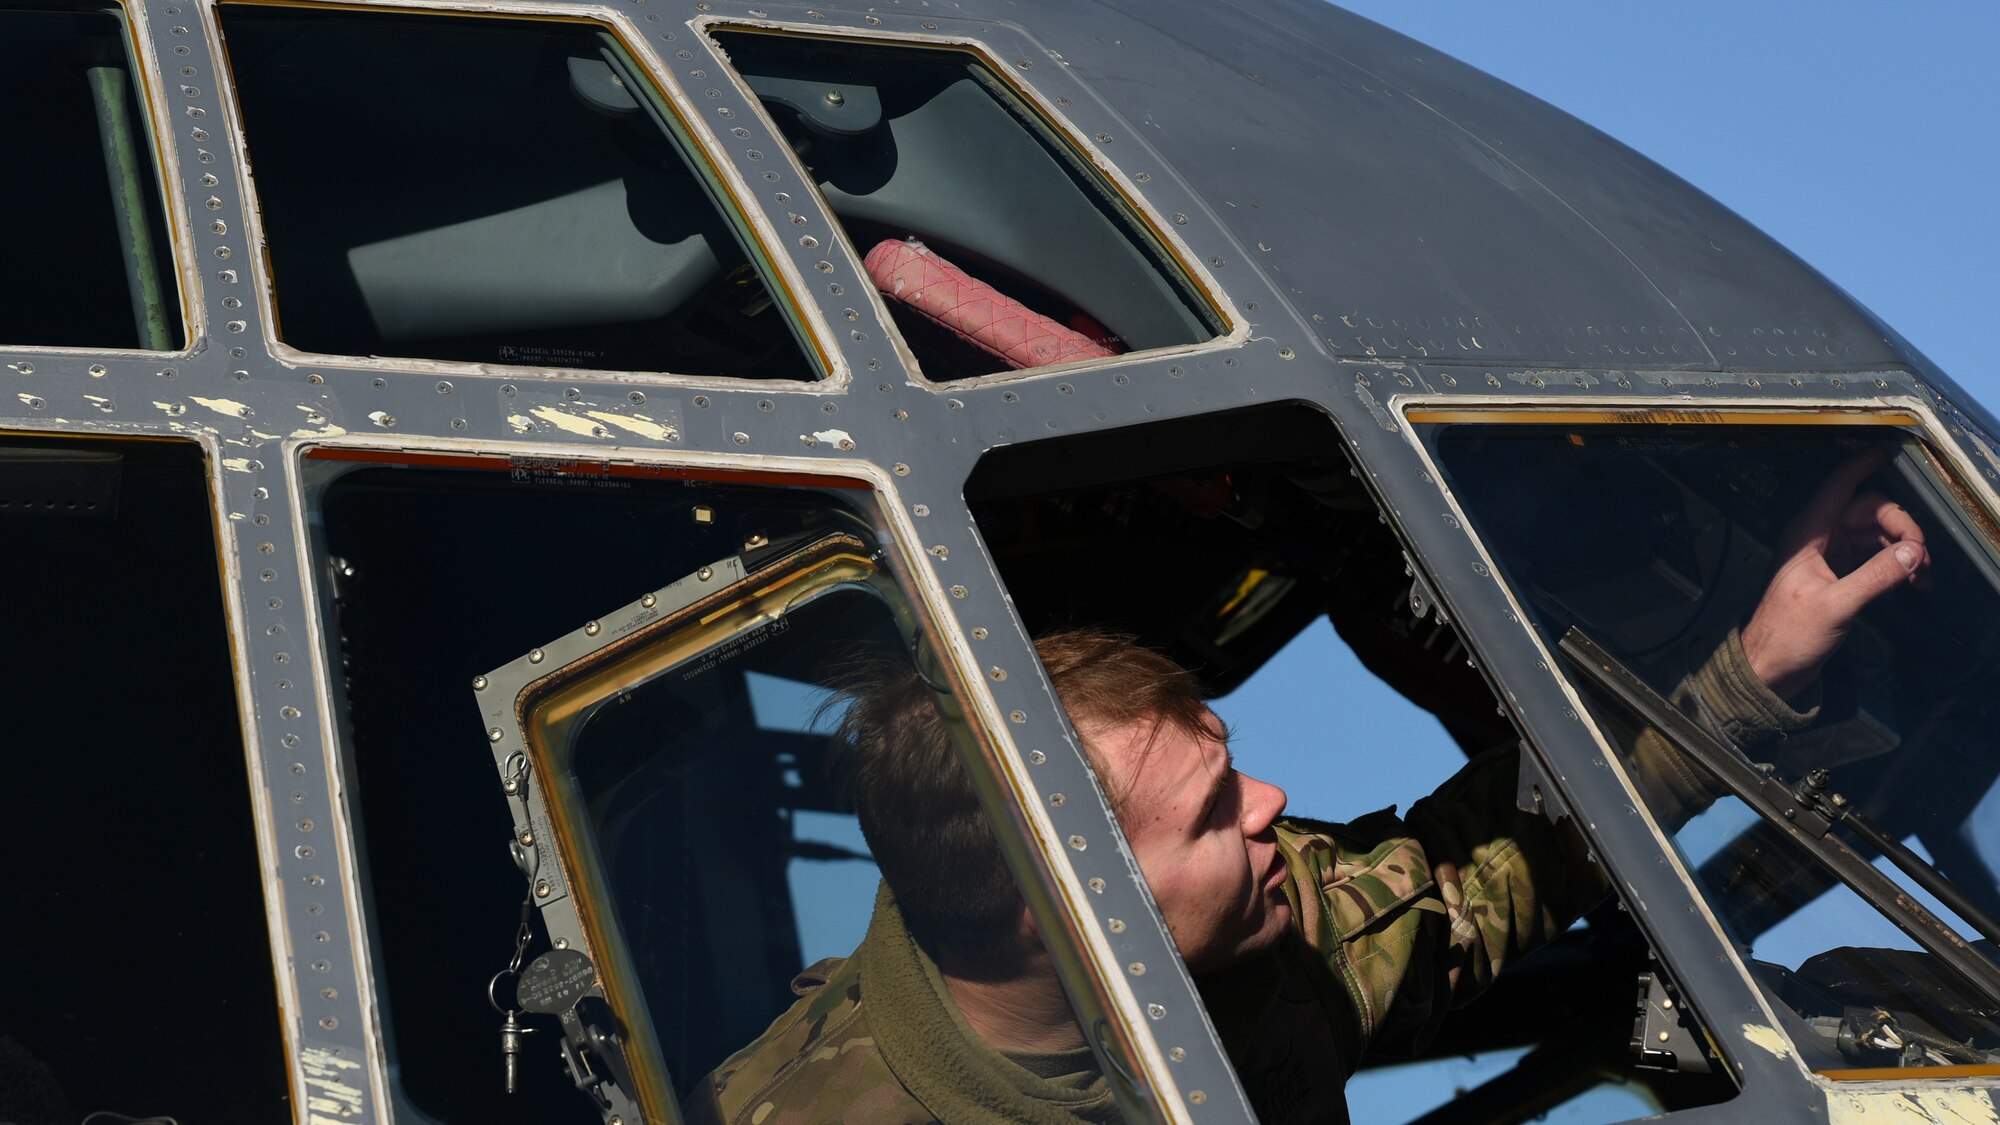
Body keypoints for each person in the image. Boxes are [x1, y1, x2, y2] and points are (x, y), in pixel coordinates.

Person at [682, 454, 1931, 1125]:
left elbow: (1480, 875)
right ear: (1056, 915)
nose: (1272, 804)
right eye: (1213, 815)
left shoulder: (1246, 940)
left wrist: (1743, 680)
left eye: (1228, 773)